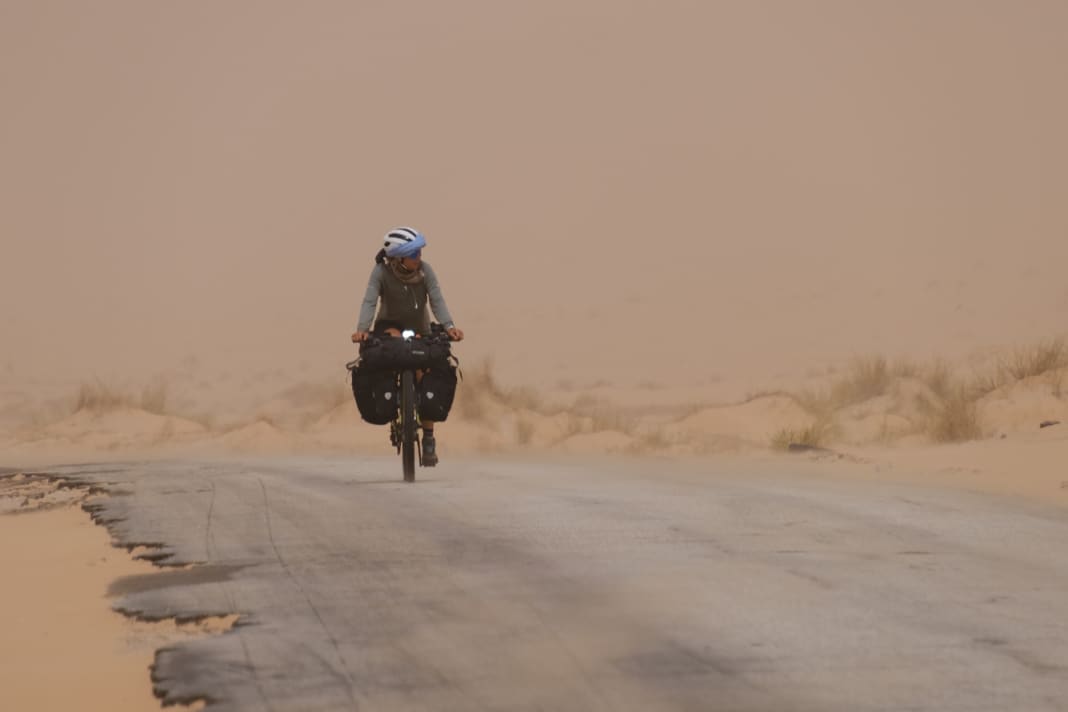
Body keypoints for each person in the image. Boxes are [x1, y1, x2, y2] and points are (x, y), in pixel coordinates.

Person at [351, 227, 464, 465]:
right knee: (389, 362)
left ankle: (429, 437)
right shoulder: (381, 272)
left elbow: (437, 299)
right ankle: (395, 406)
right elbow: (369, 300)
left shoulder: (426, 272)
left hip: (420, 330)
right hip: (388, 328)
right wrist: (362, 329)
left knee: (424, 371)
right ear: (398, 258)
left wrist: (449, 325)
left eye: (419, 253)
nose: (418, 258)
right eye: (413, 254)